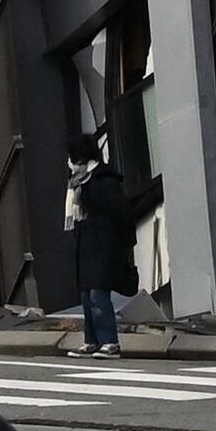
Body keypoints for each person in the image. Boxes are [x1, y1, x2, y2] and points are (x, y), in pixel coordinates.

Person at [64, 147, 160, 359]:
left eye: (72, 159)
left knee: (98, 295)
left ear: (83, 160)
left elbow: (120, 214)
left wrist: (126, 243)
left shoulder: (103, 183)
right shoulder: (79, 184)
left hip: (104, 247)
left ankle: (109, 342)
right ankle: (92, 341)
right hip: (87, 248)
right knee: (87, 297)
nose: (70, 165)